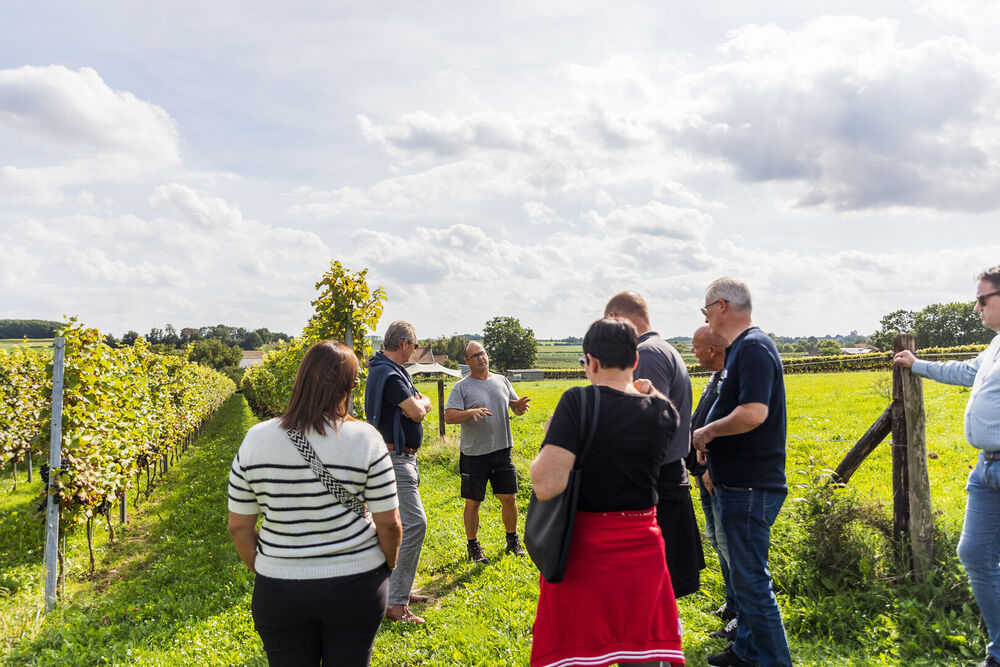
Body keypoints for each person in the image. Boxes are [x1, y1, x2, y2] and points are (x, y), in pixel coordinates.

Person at [227, 340, 402, 666]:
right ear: (350, 386)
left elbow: (239, 526)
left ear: (301, 378)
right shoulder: (365, 439)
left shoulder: (256, 438)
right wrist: (387, 566)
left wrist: (268, 568)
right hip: (357, 583)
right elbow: (389, 523)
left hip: (279, 589)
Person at [529, 317, 685, 667]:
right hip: (643, 549)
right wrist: (649, 390)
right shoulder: (662, 412)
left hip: (585, 552)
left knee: (576, 654)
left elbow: (546, 484)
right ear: (635, 361)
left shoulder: (577, 402)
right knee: (643, 655)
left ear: (591, 362)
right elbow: (668, 408)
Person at [893, 265, 1000, 667]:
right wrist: (917, 364)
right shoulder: (995, 346)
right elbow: (966, 372)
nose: (976, 308)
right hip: (986, 470)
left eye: (982, 298)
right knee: (974, 553)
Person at [692, 278, 792, 667]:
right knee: (747, 580)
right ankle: (748, 652)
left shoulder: (751, 347)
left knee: (751, 583)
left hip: (751, 486)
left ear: (720, 306)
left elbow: (754, 413)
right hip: (739, 481)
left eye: (704, 310)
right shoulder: (742, 350)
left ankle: (772, 661)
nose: (704, 317)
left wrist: (707, 432)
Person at [605, 291, 704, 598]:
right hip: (667, 475)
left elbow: (646, 427)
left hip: (657, 483)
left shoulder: (645, 354)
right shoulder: (664, 349)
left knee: (652, 587)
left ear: (619, 320)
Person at [364, 321, 433, 624]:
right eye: (415, 347)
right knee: (415, 523)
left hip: (400, 456)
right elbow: (419, 410)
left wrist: (418, 404)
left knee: (402, 525)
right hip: (395, 458)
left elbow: (422, 401)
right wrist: (417, 406)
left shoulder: (392, 372)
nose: (415, 353)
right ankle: (395, 603)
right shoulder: (391, 376)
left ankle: (397, 589)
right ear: (404, 343)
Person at [444, 341, 531, 563]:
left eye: (482, 353)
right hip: (474, 454)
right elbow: (449, 416)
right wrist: (470, 412)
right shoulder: (461, 387)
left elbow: (513, 406)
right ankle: (473, 545)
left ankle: (512, 540)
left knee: (509, 498)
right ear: (467, 362)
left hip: (502, 450)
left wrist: (519, 408)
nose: (480, 358)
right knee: (473, 501)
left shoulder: (502, 380)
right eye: (474, 356)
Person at [688, 325, 737, 640]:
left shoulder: (731, 378)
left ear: (711, 349)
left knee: (730, 544)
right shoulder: (716, 377)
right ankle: (732, 604)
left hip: (716, 474)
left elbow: (729, 427)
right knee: (718, 540)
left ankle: (742, 616)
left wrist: (711, 469)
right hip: (704, 470)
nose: (692, 351)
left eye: (695, 346)